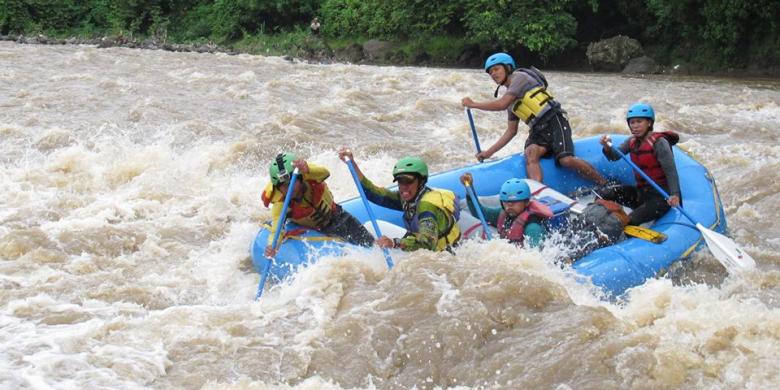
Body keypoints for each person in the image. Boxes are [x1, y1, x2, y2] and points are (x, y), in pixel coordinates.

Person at [461, 52, 607, 186]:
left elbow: (501, 104)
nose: (493, 74)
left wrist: (474, 104)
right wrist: (489, 153)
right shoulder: (512, 101)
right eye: (490, 72)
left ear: (508, 68)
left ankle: (604, 183)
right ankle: (539, 193)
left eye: (496, 69)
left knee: (566, 160)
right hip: (538, 130)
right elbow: (511, 131)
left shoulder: (520, 78)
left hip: (554, 120)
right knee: (530, 153)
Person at [338, 148, 461, 252]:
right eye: (400, 181)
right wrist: (352, 164)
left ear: (421, 182)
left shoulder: (426, 206)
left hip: (445, 253)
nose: (403, 186)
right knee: (370, 226)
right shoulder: (407, 198)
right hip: (425, 245)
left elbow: (428, 243)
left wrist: (394, 243)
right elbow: (373, 194)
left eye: (408, 181)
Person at [261, 152, 374, 257]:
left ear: (301, 179)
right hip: (316, 230)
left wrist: (307, 168)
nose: (288, 189)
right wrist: (273, 246)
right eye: (283, 186)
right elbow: (277, 230)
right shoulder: (280, 204)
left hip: (338, 217)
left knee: (370, 244)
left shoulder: (310, 175)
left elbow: (325, 172)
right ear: (278, 188)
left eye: (291, 183)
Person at [598, 102, 681, 226]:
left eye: (639, 122)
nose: (635, 126)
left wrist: (675, 195)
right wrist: (607, 147)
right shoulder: (631, 141)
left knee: (630, 220)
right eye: (632, 122)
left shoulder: (660, 143)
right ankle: (596, 217)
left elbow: (671, 171)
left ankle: (619, 227)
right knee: (604, 194)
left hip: (660, 198)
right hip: (641, 194)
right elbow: (614, 156)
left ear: (649, 123)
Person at [460, 173, 553, 248]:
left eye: (514, 202)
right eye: (507, 202)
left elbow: (535, 255)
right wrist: (469, 189)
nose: (510, 206)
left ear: (526, 202)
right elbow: (480, 213)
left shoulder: (532, 227)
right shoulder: (504, 214)